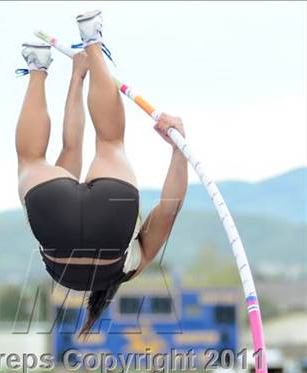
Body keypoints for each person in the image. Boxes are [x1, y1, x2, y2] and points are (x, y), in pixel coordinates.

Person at [16, 9, 188, 336]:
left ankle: (92, 40)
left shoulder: (130, 269)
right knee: (31, 160)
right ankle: (37, 66)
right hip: (58, 230)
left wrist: (178, 150)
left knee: (110, 143)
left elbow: (169, 208)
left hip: (111, 221)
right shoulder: (64, 272)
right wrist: (75, 78)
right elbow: (70, 149)